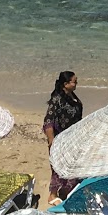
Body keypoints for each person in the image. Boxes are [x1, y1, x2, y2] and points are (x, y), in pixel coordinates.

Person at [41, 71, 82, 203]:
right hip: (59, 139)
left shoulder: (72, 97)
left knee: (72, 164)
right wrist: (51, 140)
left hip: (72, 138)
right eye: (74, 81)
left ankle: (66, 190)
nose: (76, 83)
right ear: (65, 84)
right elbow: (48, 120)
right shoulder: (57, 99)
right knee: (57, 167)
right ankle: (52, 195)